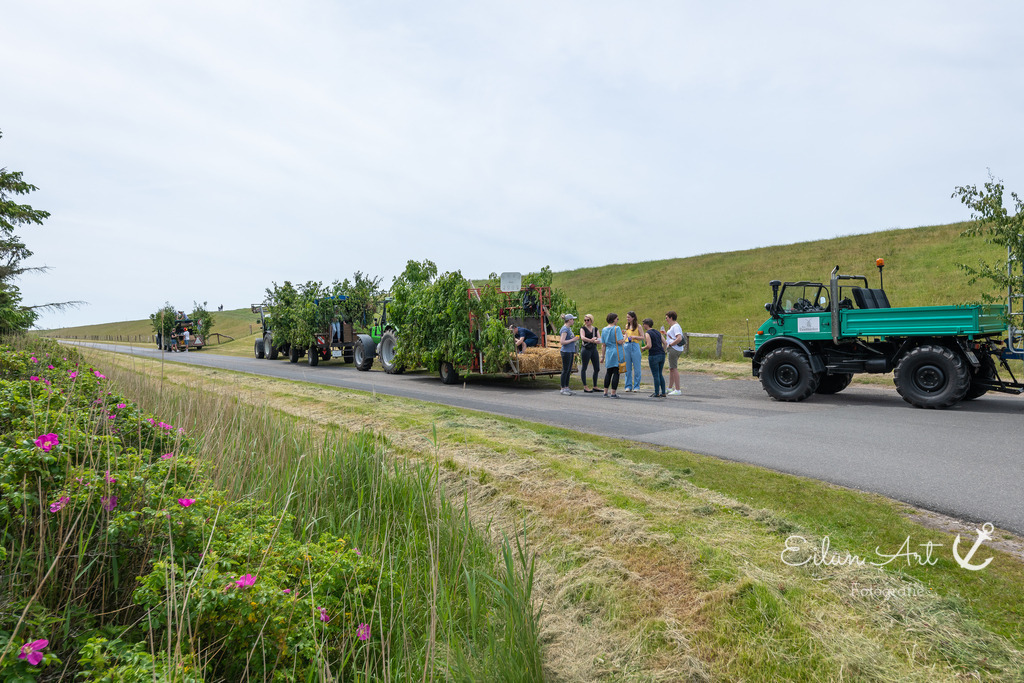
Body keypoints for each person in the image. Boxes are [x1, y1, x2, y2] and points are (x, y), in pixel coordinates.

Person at [600, 312, 624, 398]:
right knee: (616, 372)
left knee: (609, 372)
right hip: (616, 351)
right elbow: (619, 341)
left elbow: (603, 344)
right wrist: (625, 337)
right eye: (617, 319)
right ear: (614, 319)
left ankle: (605, 392)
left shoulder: (604, 329)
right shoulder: (617, 328)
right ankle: (613, 393)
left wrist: (602, 356)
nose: (617, 320)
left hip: (608, 352)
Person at [643, 318, 666, 398]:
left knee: (655, 374)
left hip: (653, 355)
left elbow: (649, 345)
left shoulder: (647, 333)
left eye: (644, 324)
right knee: (660, 374)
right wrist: (662, 350)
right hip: (661, 354)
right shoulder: (658, 332)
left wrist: (643, 348)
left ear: (646, 324)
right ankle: (663, 392)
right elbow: (665, 343)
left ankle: (656, 392)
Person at [558, 314, 579, 395]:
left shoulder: (568, 328)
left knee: (568, 370)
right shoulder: (564, 329)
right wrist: (573, 339)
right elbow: (562, 342)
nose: (573, 321)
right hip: (566, 351)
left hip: (570, 351)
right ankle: (562, 388)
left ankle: (566, 387)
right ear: (569, 320)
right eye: (572, 319)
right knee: (565, 370)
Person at [664, 311, 684, 395]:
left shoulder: (675, 326)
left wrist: (670, 345)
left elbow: (679, 338)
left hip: (674, 349)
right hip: (676, 349)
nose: (666, 320)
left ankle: (678, 389)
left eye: (667, 318)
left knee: (674, 368)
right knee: (672, 368)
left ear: (671, 317)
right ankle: (669, 387)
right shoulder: (674, 326)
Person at [579, 314, 600, 392]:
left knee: (597, 368)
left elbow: (599, 338)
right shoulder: (583, 329)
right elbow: (582, 337)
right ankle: (585, 386)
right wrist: (591, 340)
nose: (586, 322)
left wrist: (597, 340)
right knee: (584, 367)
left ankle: (595, 385)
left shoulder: (595, 329)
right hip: (586, 348)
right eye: (585, 320)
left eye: (588, 320)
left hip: (593, 348)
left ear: (591, 320)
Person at [622, 311, 643, 392]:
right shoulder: (627, 326)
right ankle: (628, 385)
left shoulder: (638, 326)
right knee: (627, 367)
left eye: (629, 317)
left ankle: (636, 386)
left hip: (635, 345)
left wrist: (634, 336)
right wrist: (623, 339)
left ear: (633, 317)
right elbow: (626, 335)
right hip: (627, 345)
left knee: (637, 367)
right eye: (627, 317)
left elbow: (642, 337)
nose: (627, 318)